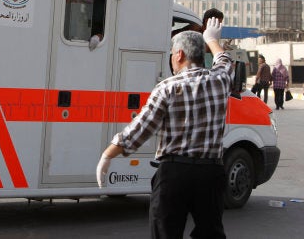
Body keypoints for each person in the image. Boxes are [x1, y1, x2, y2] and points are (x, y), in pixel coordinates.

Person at [96, 17, 232, 238]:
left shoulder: (167, 88)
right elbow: (225, 60)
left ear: (179, 55)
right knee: (211, 233)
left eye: (172, 53)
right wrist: (212, 40)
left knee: (165, 232)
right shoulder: (220, 81)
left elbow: (141, 128)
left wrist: (108, 153)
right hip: (211, 173)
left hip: (175, 173)